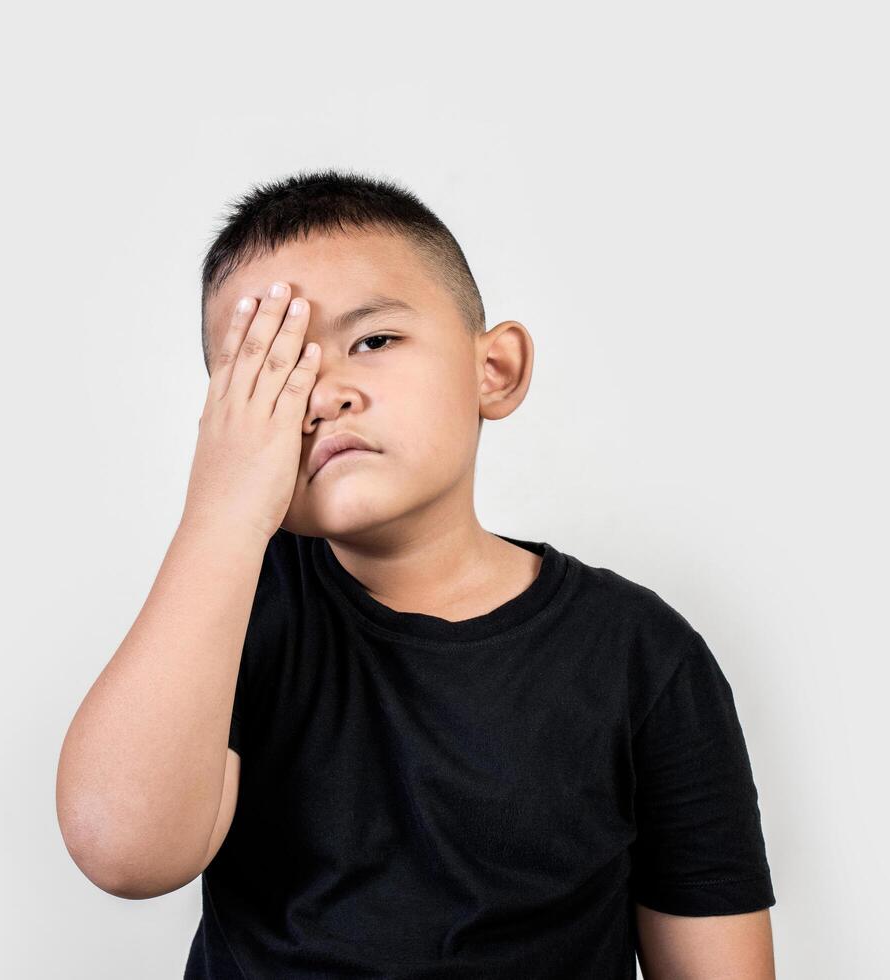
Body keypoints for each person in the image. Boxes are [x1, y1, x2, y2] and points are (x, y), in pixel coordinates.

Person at [56, 169, 777, 979]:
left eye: (372, 341)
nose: (321, 395)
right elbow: (124, 853)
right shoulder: (225, 614)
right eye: (268, 372)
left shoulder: (640, 653)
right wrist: (221, 514)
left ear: (493, 369)